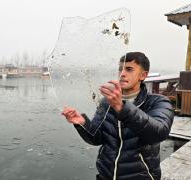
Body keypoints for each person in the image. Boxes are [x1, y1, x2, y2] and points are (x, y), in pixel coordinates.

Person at [62, 52, 174, 180]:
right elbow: (97, 139)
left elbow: (159, 133)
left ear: (143, 75)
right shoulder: (106, 102)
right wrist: (82, 123)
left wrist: (121, 107)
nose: (122, 74)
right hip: (106, 176)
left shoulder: (158, 102)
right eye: (120, 69)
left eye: (129, 69)